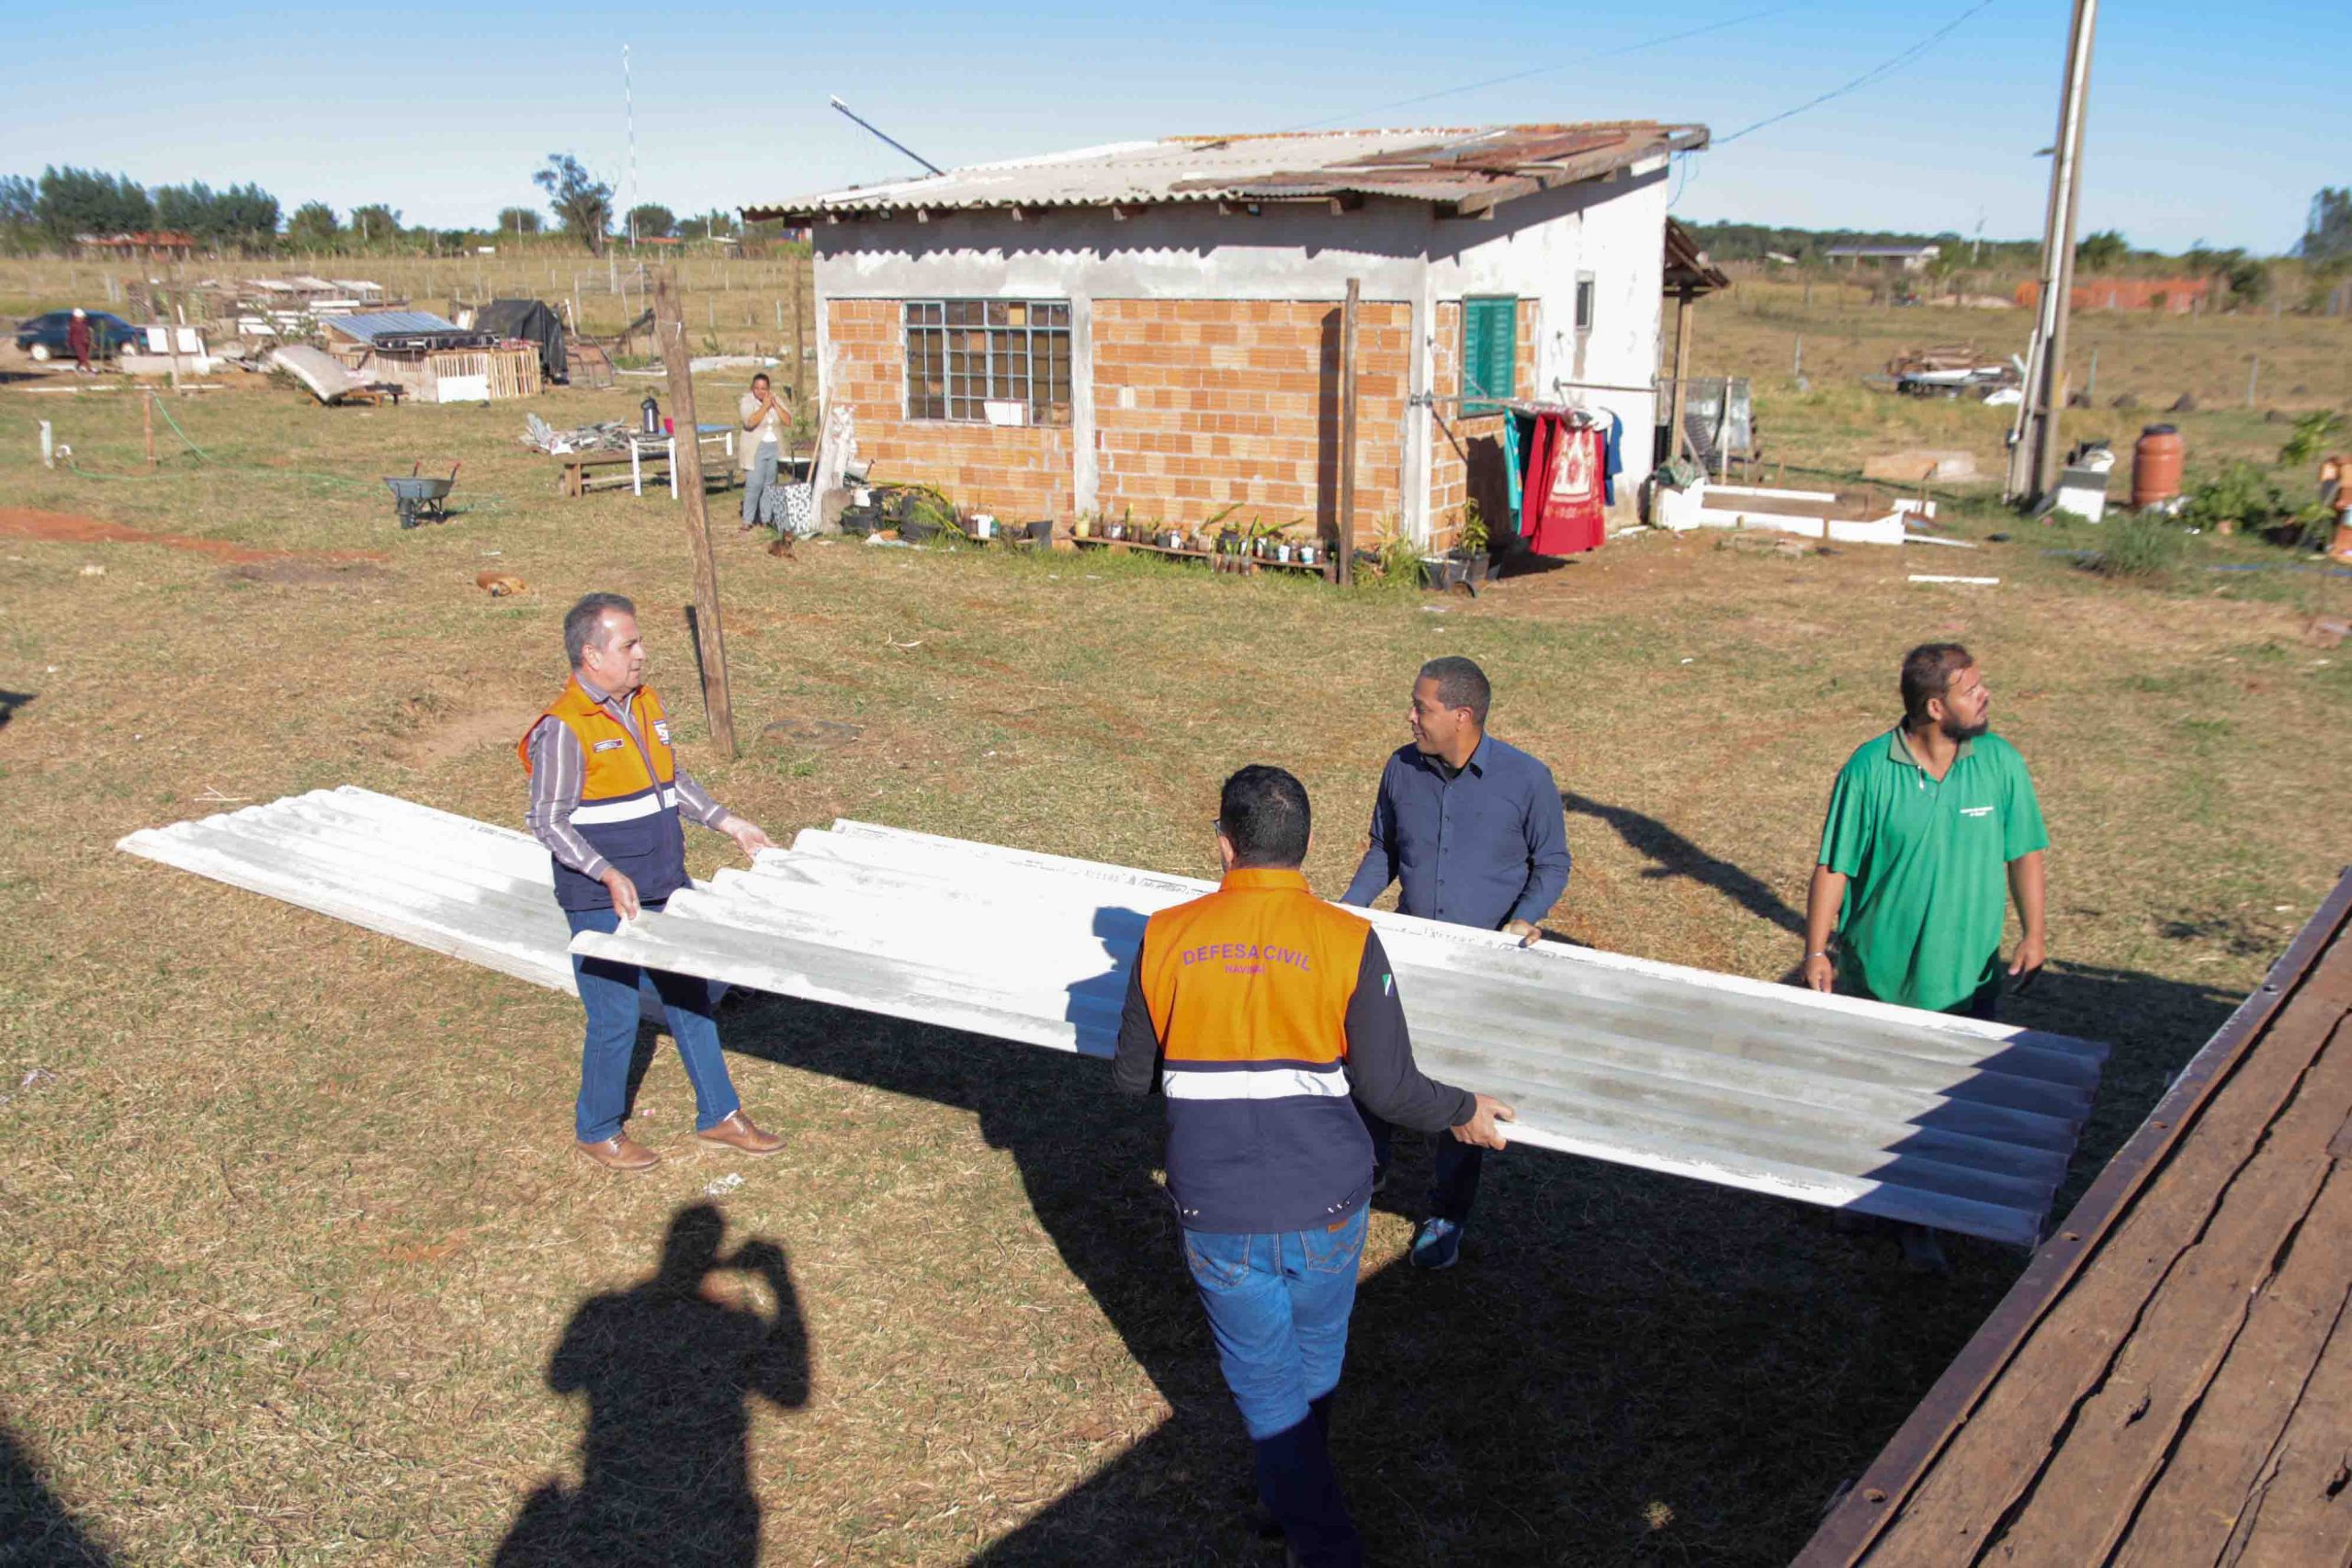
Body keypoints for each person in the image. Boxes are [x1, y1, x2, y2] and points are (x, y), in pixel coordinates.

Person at [1114, 765, 1513, 1567]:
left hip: (1217, 1213)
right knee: (1315, 1361)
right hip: (1331, 1204)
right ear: (1305, 851)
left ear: (1225, 846)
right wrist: (1465, 1108)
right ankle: (1300, 1517)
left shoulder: (1164, 937)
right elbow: (1390, 1086)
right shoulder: (1350, 940)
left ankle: (1310, 1529)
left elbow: (1131, 1078)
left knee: (1267, 1393)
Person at [1803, 643, 2048, 1270]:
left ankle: (1919, 1222)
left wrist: (2034, 932)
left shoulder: (1999, 763)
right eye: (1972, 689)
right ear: (1935, 707)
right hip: (1876, 974)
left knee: (1946, 1106)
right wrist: (1815, 948)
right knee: (1873, 1093)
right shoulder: (1868, 769)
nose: (1986, 694)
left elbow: (2025, 852)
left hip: (1966, 976)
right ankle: (1863, 1194)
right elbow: (1835, 865)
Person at [521, 592, 786, 1170]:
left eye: (640, 641)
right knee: (614, 1015)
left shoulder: (643, 704)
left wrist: (728, 821)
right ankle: (596, 1129)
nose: (642, 653)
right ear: (592, 655)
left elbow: (670, 777)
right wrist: (605, 872)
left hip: (662, 880)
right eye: (629, 644)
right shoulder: (564, 728)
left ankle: (719, 1114)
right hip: (600, 896)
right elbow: (547, 820)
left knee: (689, 997)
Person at [1340, 656, 1571, 1270]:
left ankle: (1447, 1213)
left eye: (1422, 706)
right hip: (1407, 950)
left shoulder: (1527, 780)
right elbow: (1384, 849)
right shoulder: (1400, 768)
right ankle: (1370, 1167)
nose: (1410, 715)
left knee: (1465, 1091)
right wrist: (1345, 913)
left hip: (1482, 966)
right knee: (1375, 1062)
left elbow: (1552, 861)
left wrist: (1525, 916)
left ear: (1462, 715)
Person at [738, 373, 791, 530]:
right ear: (752, 388)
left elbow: (788, 421)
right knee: (754, 484)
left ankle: (766, 518)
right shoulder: (747, 401)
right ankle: (747, 520)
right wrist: (764, 407)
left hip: (774, 446)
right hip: (755, 447)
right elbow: (749, 422)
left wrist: (775, 405)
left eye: (764, 388)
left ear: (768, 389)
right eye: (757, 388)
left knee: (770, 483)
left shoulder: (775, 399)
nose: (760, 392)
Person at [67, 308, 93, 375]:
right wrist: (70, 343)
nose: (82, 318)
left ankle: (77, 368)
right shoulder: (73, 325)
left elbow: (87, 332)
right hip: (77, 343)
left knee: (82, 357)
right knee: (84, 357)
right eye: (81, 317)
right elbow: (71, 334)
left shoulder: (84, 324)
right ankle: (90, 371)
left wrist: (89, 339)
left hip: (85, 342)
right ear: (76, 317)